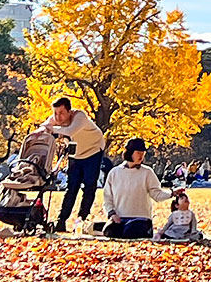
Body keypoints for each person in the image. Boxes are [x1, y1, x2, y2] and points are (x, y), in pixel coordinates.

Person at [42, 98, 107, 226]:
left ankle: (81, 219)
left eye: (61, 113)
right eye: (55, 113)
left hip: (93, 151)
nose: (58, 117)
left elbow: (70, 131)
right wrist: (41, 131)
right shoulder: (55, 119)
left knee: (89, 186)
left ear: (69, 112)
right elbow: (44, 127)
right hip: (76, 153)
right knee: (72, 186)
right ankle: (61, 220)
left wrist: (52, 128)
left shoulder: (80, 116)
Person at [99, 138, 177, 239]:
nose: (141, 156)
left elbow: (156, 194)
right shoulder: (115, 172)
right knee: (111, 232)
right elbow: (107, 197)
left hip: (141, 219)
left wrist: (172, 193)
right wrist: (112, 213)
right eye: (138, 153)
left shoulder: (147, 172)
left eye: (143, 153)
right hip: (119, 219)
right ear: (130, 153)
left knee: (131, 233)